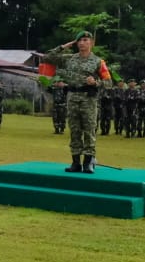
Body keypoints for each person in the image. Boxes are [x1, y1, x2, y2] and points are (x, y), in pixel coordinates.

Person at [43, 31, 108, 172]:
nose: (82, 43)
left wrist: (96, 82)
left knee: (89, 130)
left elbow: (108, 82)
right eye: (79, 40)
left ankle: (88, 162)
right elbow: (47, 58)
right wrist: (63, 46)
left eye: (85, 40)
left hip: (88, 99)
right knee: (74, 130)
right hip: (72, 97)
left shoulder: (98, 61)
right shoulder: (69, 58)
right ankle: (76, 162)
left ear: (91, 42)